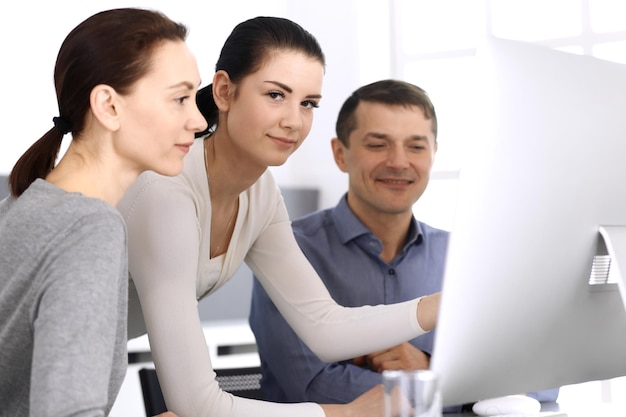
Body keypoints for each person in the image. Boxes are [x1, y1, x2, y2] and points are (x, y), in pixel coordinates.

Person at [117, 17, 440, 417]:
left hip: (86, 371)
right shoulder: (168, 190)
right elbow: (194, 403)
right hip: (37, 374)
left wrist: (444, 304)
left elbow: (324, 326)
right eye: (275, 95)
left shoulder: (260, 192)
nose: (293, 120)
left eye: (307, 103)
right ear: (223, 91)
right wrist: (346, 414)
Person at [249, 79, 561, 409]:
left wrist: (428, 367)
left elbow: (541, 382)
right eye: (378, 144)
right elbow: (313, 386)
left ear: (433, 154)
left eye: (415, 146)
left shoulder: (463, 258)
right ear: (341, 154)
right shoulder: (287, 251)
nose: (399, 162)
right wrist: (461, 386)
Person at [0, 7, 206, 417]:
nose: (198, 120)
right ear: (108, 106)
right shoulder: (89, 226)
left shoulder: (21, 203)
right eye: (180, 99)